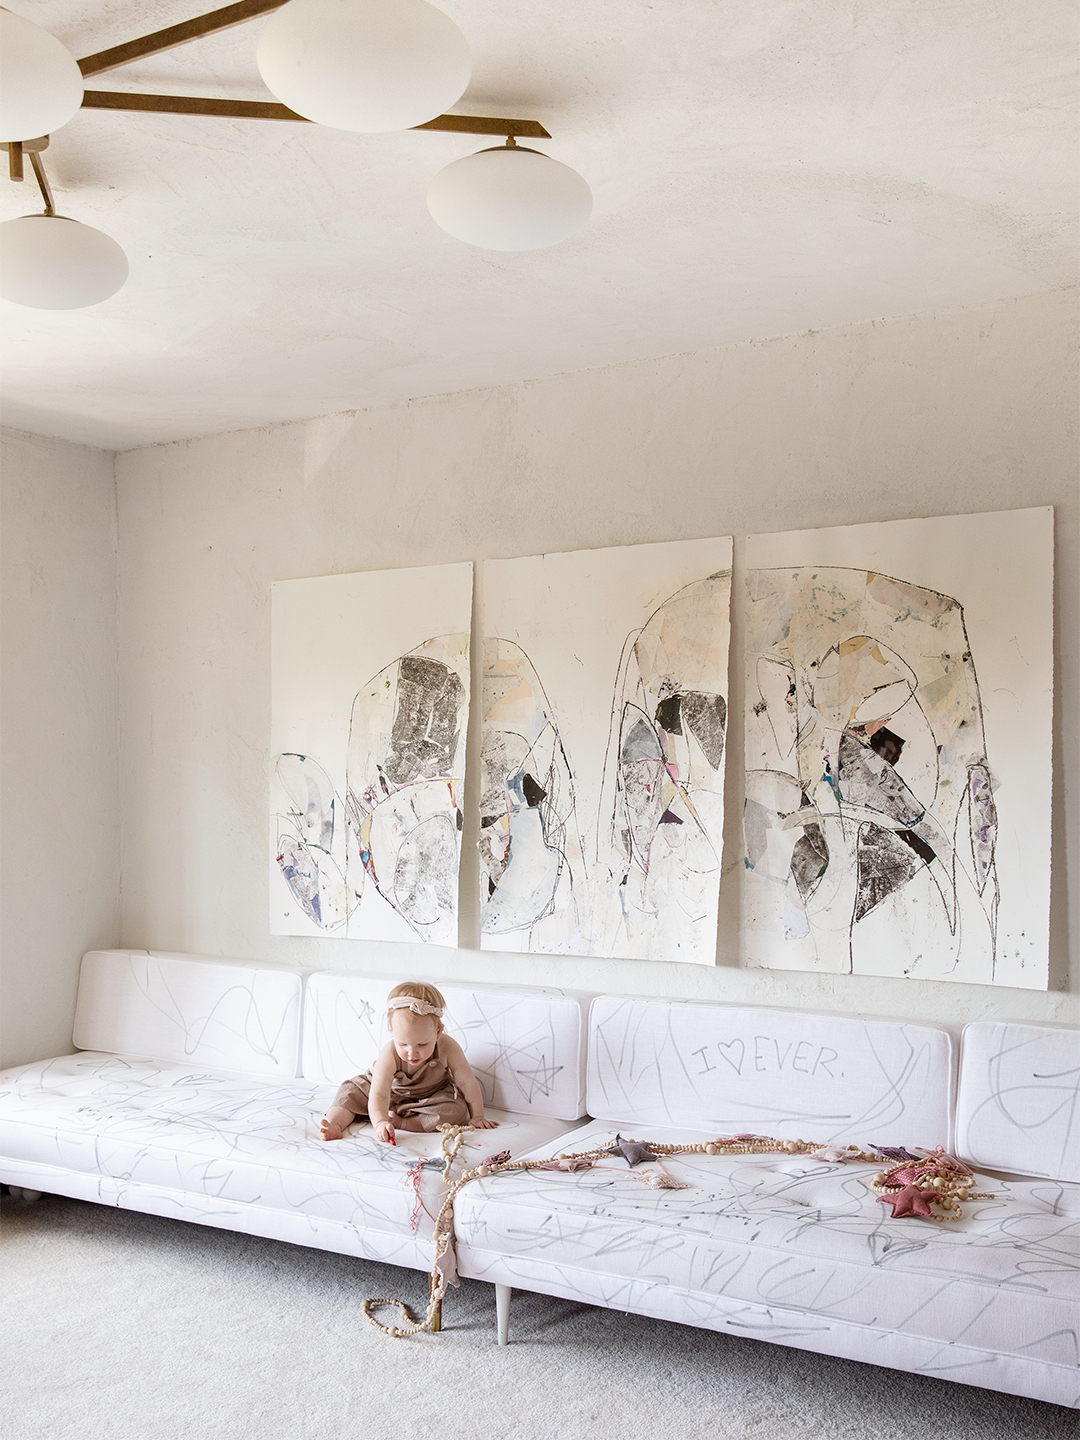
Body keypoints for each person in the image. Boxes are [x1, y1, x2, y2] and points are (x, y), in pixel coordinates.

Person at [319, 981, 499, 1142]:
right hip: (387, 1093)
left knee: (456, 1110)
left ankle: (404, 1122)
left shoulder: (448, 1048)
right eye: (403, 1044)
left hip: (428, 1097)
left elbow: (467, 1082)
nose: (412, 1053)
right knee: (350, 1091)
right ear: (392, 1032)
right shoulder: (389, 1054)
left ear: (438, 1033)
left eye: (422, 1044)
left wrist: (478, 1115)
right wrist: (380, 1122)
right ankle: (334, 1124)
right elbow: (379, 1094)